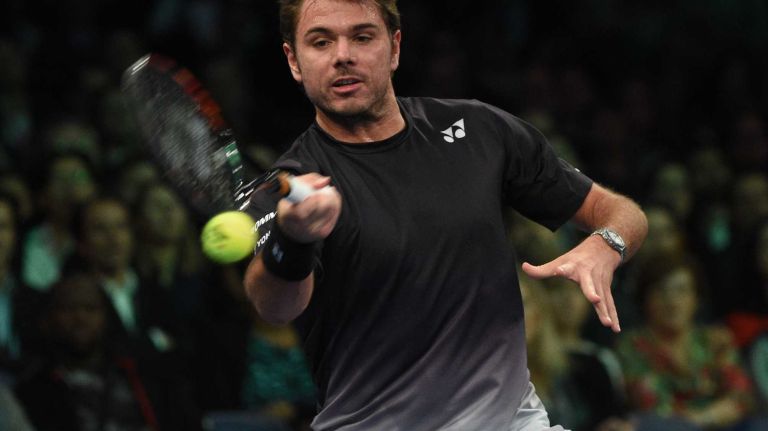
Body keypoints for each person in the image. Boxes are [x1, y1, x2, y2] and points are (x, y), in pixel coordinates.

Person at [243, 1, 648, 429]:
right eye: (321, 41)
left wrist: (607, 245)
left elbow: (623, 213)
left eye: (362, 37)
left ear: (394, 48)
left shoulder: (479, 130)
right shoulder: (290, 186)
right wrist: (295, 239)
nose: (343, 55)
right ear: (294, 60)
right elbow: (274, 306)